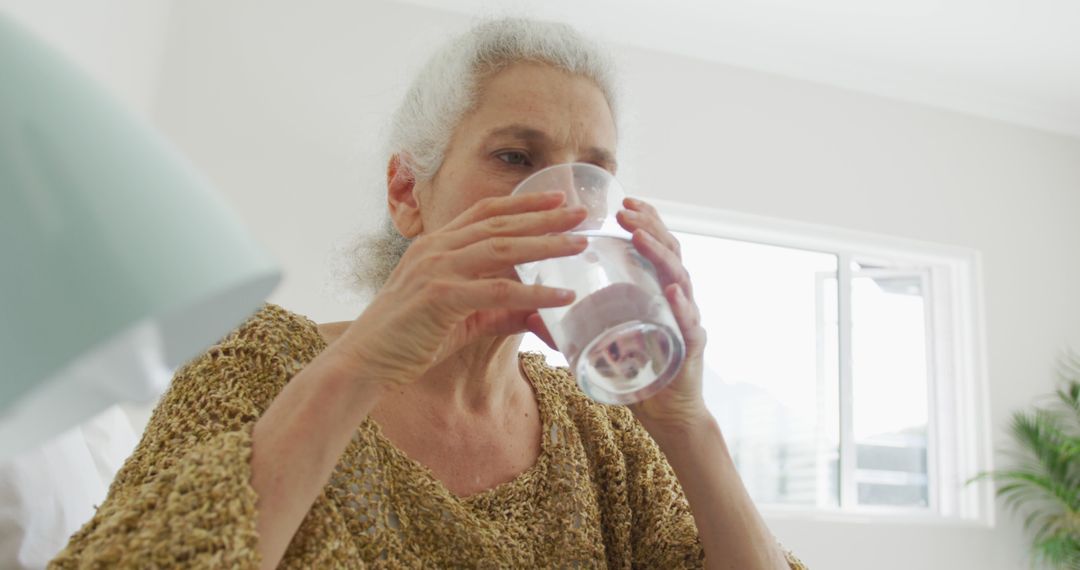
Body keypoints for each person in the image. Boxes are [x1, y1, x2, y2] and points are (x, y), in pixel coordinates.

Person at [50, 18, 808, 569]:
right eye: (516, 156)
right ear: (408, 192)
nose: (568, 207)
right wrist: (359, 366)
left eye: (591, 178)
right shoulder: (255, 366)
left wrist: (687, 425)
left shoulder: (605, 438)